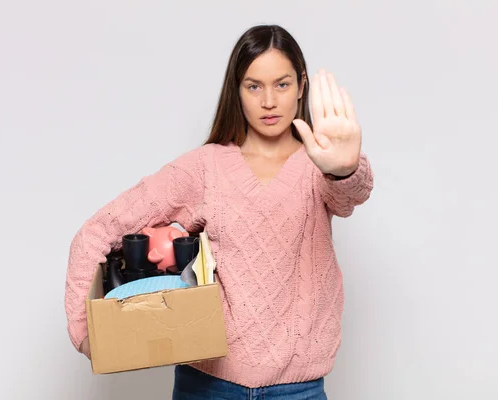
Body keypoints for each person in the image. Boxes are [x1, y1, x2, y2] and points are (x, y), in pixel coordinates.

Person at [64, 24, 374, 399]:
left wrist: (343, 167)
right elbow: (99, 230)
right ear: (237, 91)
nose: (269, 101)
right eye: (253, 86)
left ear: (301, 86)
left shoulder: (319, 165)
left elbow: (350, 195)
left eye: (282, 84)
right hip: (208, 387)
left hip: (298, 390)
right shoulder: (205, 168)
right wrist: (86, 331)